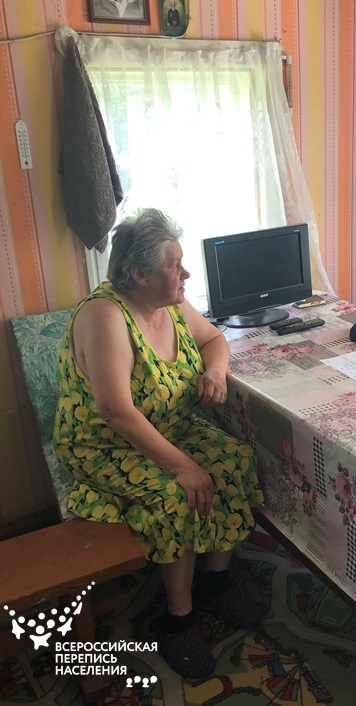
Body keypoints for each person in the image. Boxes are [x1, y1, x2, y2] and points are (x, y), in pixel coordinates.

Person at [53, 209, 265, 678]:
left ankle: (215, 582)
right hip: (106, 443)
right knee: (179, 495)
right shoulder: (106, 316)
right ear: (138, 274)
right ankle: (178, 618)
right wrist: (182, 467)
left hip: (168, 427)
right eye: (174, 265)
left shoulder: (170, 303)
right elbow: (115, 412)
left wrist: (215, 371)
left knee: (235, 459)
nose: (185, 274)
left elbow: (214, 339)